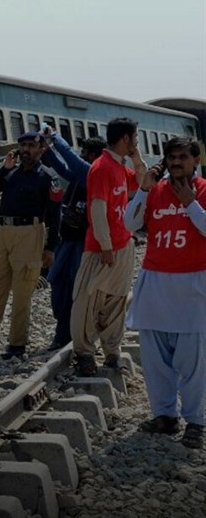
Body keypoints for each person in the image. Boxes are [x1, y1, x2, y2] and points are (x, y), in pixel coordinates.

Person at [124, 136, 206, 449]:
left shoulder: (204, 191)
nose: (175, 163)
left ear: (195, 161)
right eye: (171, 157)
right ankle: (165, 416)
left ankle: (195, 421)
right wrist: (143, 189)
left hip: (193, 289)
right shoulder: (155, 192)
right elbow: (129, 223)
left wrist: (190, 204)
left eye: (182, 157)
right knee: (156, 360)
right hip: (156, 285)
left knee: (192, 362)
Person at [0, 132, 62, 359]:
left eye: (32, 146)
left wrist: (50, 247)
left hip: (30, 232)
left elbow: (55, 216)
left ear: (41, 150)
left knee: (22, 291)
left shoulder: (47, 177)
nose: (26, 149)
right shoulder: (11, 173)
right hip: (4, 232)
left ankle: (17, 344)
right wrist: (5, 168)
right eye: (23, 145)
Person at [70, 118, 147, 376]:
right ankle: (84, 354)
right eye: (135, 138)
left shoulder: (119, 166)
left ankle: (112, 353)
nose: (136, 142)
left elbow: (143, 180)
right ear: (125, 138)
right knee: (88, 300)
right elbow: (98, 209)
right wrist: (105, 245)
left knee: (116, 301)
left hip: (122, 244)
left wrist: (136, 158)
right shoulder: (102, 168)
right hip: (102, 248)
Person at [41, 132, 107, 351]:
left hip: (82, 242)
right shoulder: (81, 176)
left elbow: (72, 166)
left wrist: (56, 140)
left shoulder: (95, 174)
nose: (83, 156)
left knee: (74, 287)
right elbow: (64, 170)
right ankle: (65, 331)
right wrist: (47, 150)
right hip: (67, 239)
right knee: (59, 284)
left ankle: (67, 335)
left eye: (87, 153)